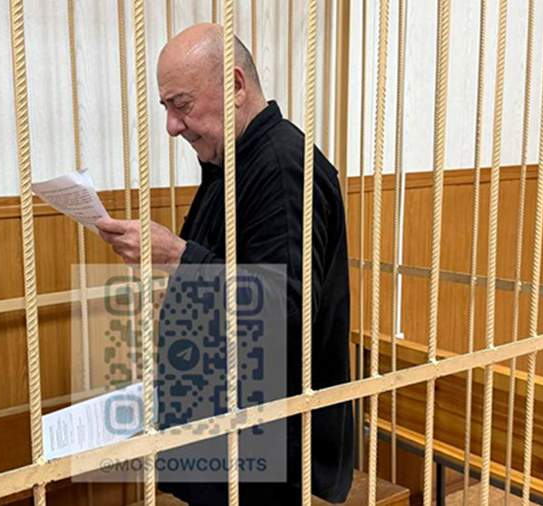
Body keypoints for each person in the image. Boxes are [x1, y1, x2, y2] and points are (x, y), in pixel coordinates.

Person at [96, 23, 353, 505]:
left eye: (182, 105)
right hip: (235, 430)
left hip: (270, 446)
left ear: (234, 85)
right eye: (166, 107)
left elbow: (285, 309)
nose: (172, 126)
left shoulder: (281, 165)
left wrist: (177, 256)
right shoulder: (231, 162)